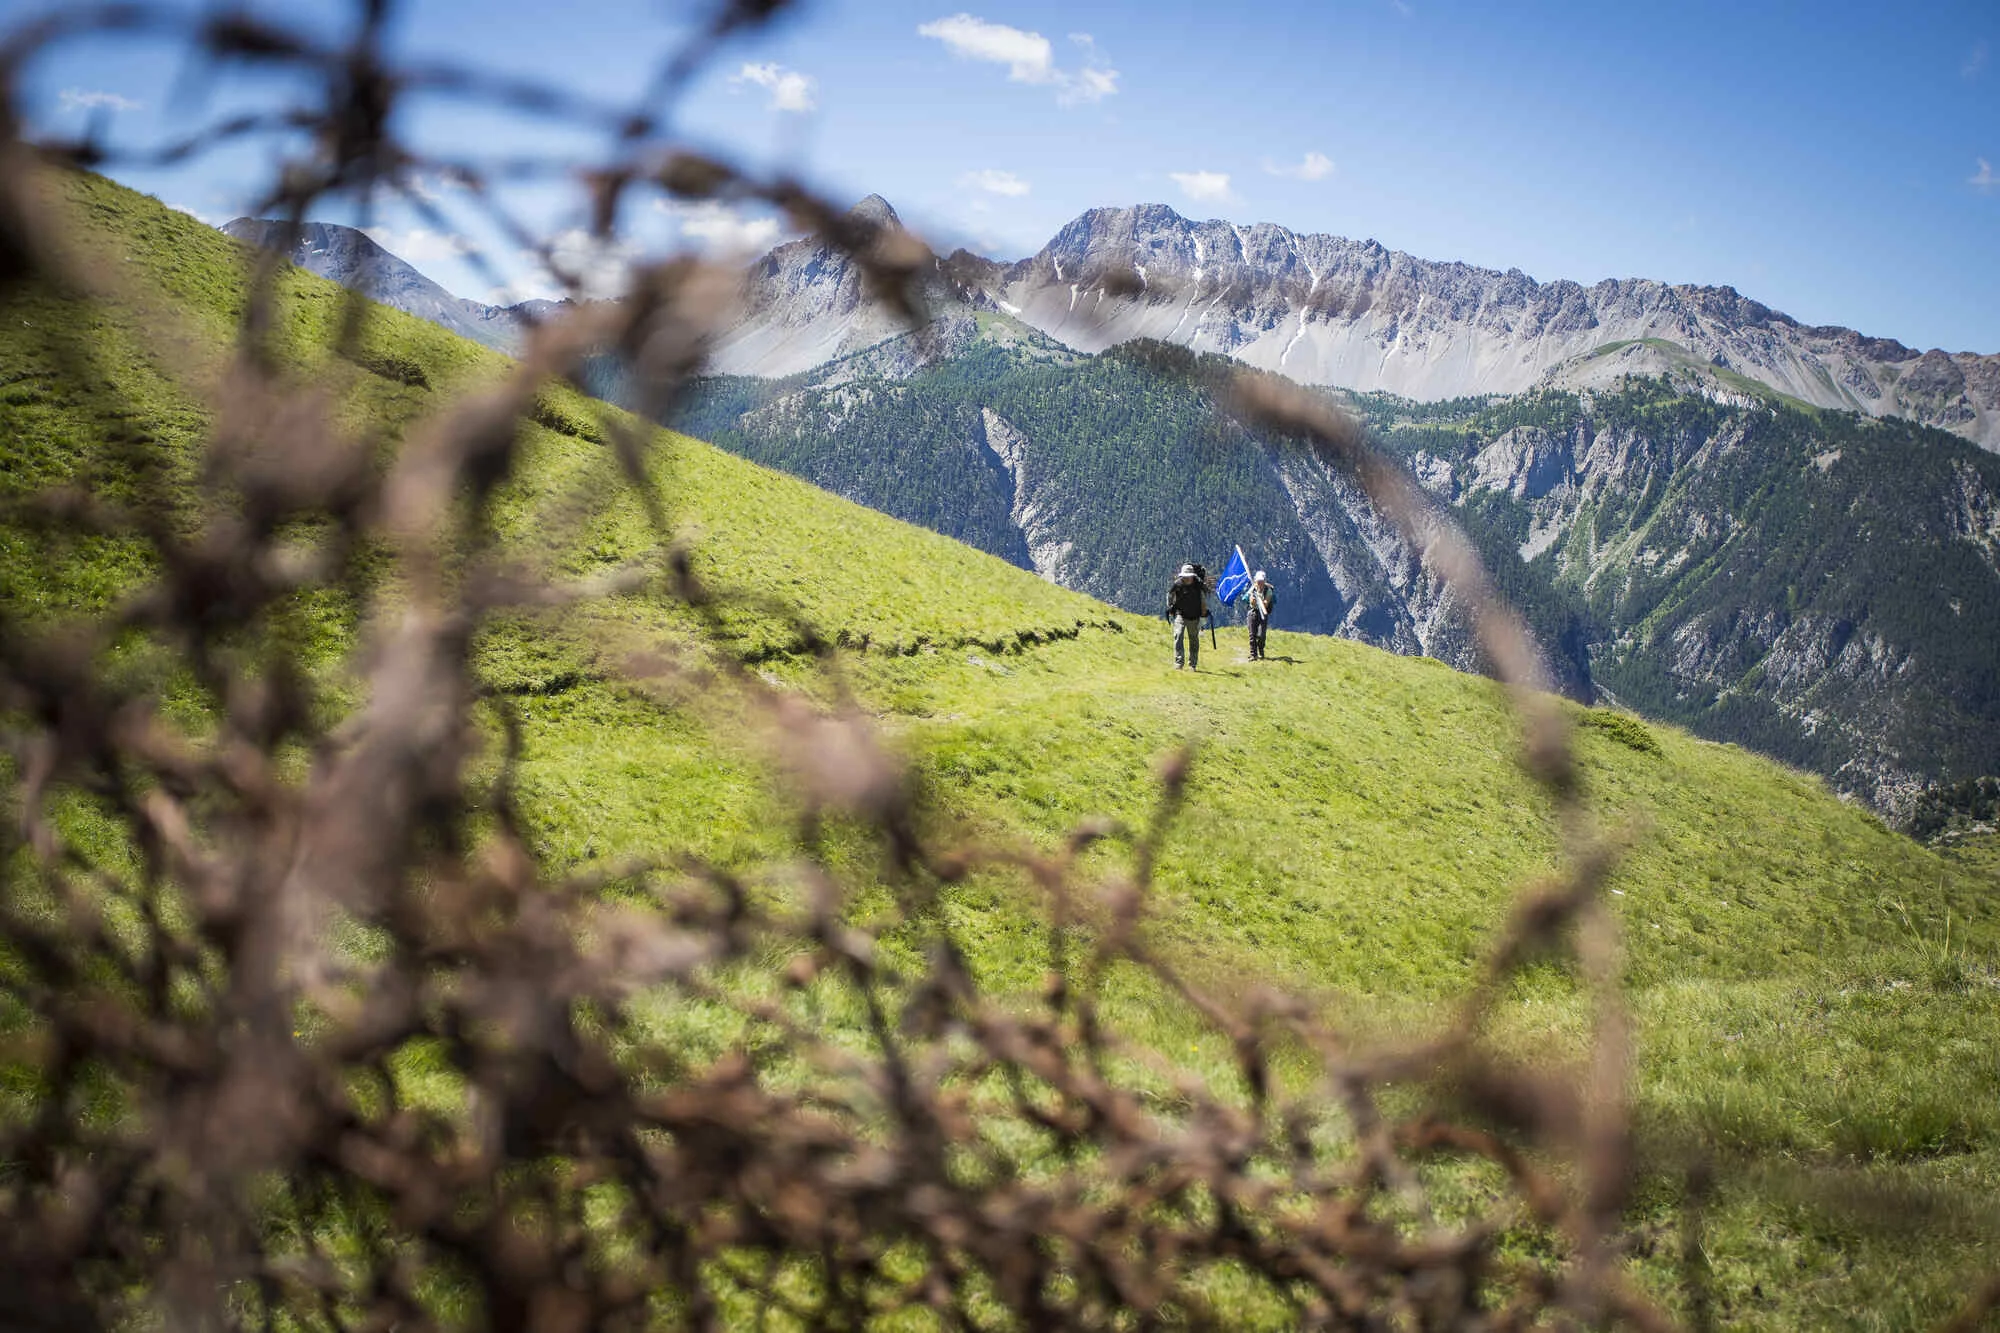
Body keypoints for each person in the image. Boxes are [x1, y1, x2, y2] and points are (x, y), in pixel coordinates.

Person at [1166, 563, 1207, 669]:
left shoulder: (1198, 586)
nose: (1187, 578)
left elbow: (1203, 602)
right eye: (1185, 576)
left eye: (1189, 576)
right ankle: (1179, 663)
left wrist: (1202, 618)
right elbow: (1170, 595)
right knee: (1178, 635)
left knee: (1193, 639)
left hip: (1194, 616)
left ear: (1193, 576)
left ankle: (1192, 664)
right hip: (1181, 614)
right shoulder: (1178, 584)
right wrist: (1170, 607)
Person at [1246, 569, 1276, 661]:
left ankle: (1261, 650)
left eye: (1261, 581)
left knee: (1261, 635)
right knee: (1252, 635)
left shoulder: (1268, 591)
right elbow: (1250, 600)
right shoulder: (1252, 589)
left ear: (1264, 581)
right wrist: (1253, 600)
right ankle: (1253, 654)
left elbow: (1266, 604)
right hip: (1253, 612)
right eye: (1258, 581)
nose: (1260, 583)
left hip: (1263, 613)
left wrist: (1260, 600)